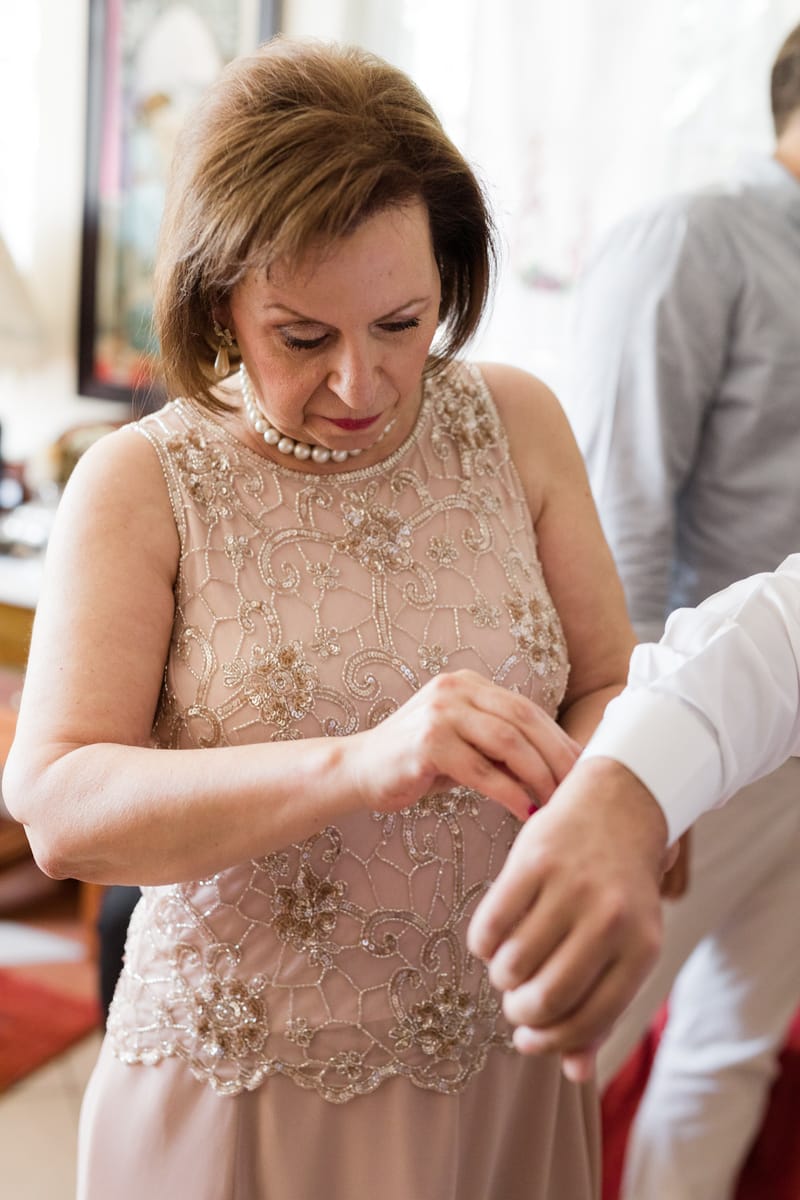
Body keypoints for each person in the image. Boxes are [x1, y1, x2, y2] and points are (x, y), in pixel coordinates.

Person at [3, 38, 638, 1200]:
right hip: (243, 1098)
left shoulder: (516, 424)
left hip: (498, 1060)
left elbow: (607, 682)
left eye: (401, 322)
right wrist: (355, 763)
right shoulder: (142, 484)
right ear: (218, 303)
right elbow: (57, 808)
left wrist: (603, 811)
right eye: (303, 337)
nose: (361, 382)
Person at [554, 19, 800, 1198]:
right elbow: (618, 513)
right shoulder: (692, 237)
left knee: (728, 1045)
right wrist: (640, 756)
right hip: (701, 723)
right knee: (573, 1050)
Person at [468, 552, 800, 1074]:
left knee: (736, 1042)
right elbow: (783, 633)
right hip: (715, 751)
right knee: (597, 1012)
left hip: (730, 746)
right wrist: (636, 782)